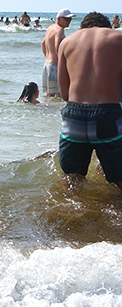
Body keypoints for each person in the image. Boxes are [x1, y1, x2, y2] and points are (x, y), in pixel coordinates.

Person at [58, 12, 122, 190]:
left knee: (72, 180)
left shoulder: (67, 42)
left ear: (83, 28)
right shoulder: (119, 38)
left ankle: (68, 214)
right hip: (107, 115)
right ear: (107, 27)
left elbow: (64, 94)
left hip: (73, 115)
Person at [41, 8, 74, 97]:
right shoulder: (59, 30)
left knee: (49, 95)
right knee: (60, 95)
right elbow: (58, 48)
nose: (69, 21)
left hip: (47, 65)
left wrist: (48, 57)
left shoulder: (50, 28)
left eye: (70, 19)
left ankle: (47, 111)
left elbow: (43, 44)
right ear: (59, 19)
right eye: (67, 19)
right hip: (55, 67)